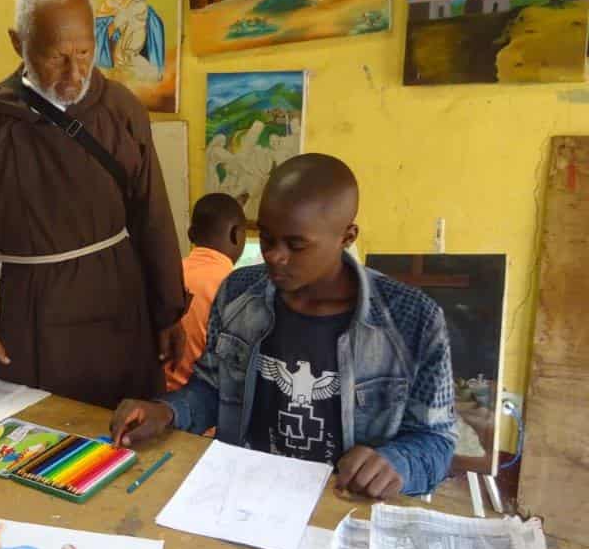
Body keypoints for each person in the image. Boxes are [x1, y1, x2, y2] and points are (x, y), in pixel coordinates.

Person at [111, 154, 457, 498]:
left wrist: (397, 462)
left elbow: (436, 441)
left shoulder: (413, 321)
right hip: (245, 495)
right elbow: (212, 390)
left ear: (347, 236)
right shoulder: (237, 293)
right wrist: (168, 410)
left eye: (296, 244)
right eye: (265, 238)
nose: (274, 256)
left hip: (340, 506)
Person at [0, 0, 186, 408]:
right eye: (56, 57)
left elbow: (152, 216)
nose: (75, 73)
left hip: (117, 308)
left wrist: (169, 312)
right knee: (37, 437)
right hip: (28, 316)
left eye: (84, 53)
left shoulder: (121, 110)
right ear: (18, 44)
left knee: (124, 434)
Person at [164, 194, 248, 391]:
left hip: (153, 405)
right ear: (237, 234)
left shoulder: (167, 276)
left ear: (191, 235)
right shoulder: (236, 289)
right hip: (203, 413)